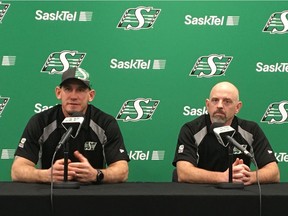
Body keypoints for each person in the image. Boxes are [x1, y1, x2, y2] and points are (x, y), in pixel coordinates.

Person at [11, 67, 130, 184]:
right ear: (58, 92)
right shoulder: (40, 121)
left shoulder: (105, 123)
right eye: (68, 89)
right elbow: (17, 170)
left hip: (93, 196)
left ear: (91, 95)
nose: (73, 96)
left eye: (80, 90)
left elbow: (122, 170)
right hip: (51, 196)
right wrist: (46, 175)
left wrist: (96, 174)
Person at [172, 81, 280, 185]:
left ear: (237, 107)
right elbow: (183, 172)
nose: (219, 106)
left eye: (227, 101)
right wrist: (224, 177)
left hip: (237, 195)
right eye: (215, 100)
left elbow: (274, 172)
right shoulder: (191, 129)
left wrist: (249, 176)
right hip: (199, 194)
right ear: (207, 104)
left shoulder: (250, 130)